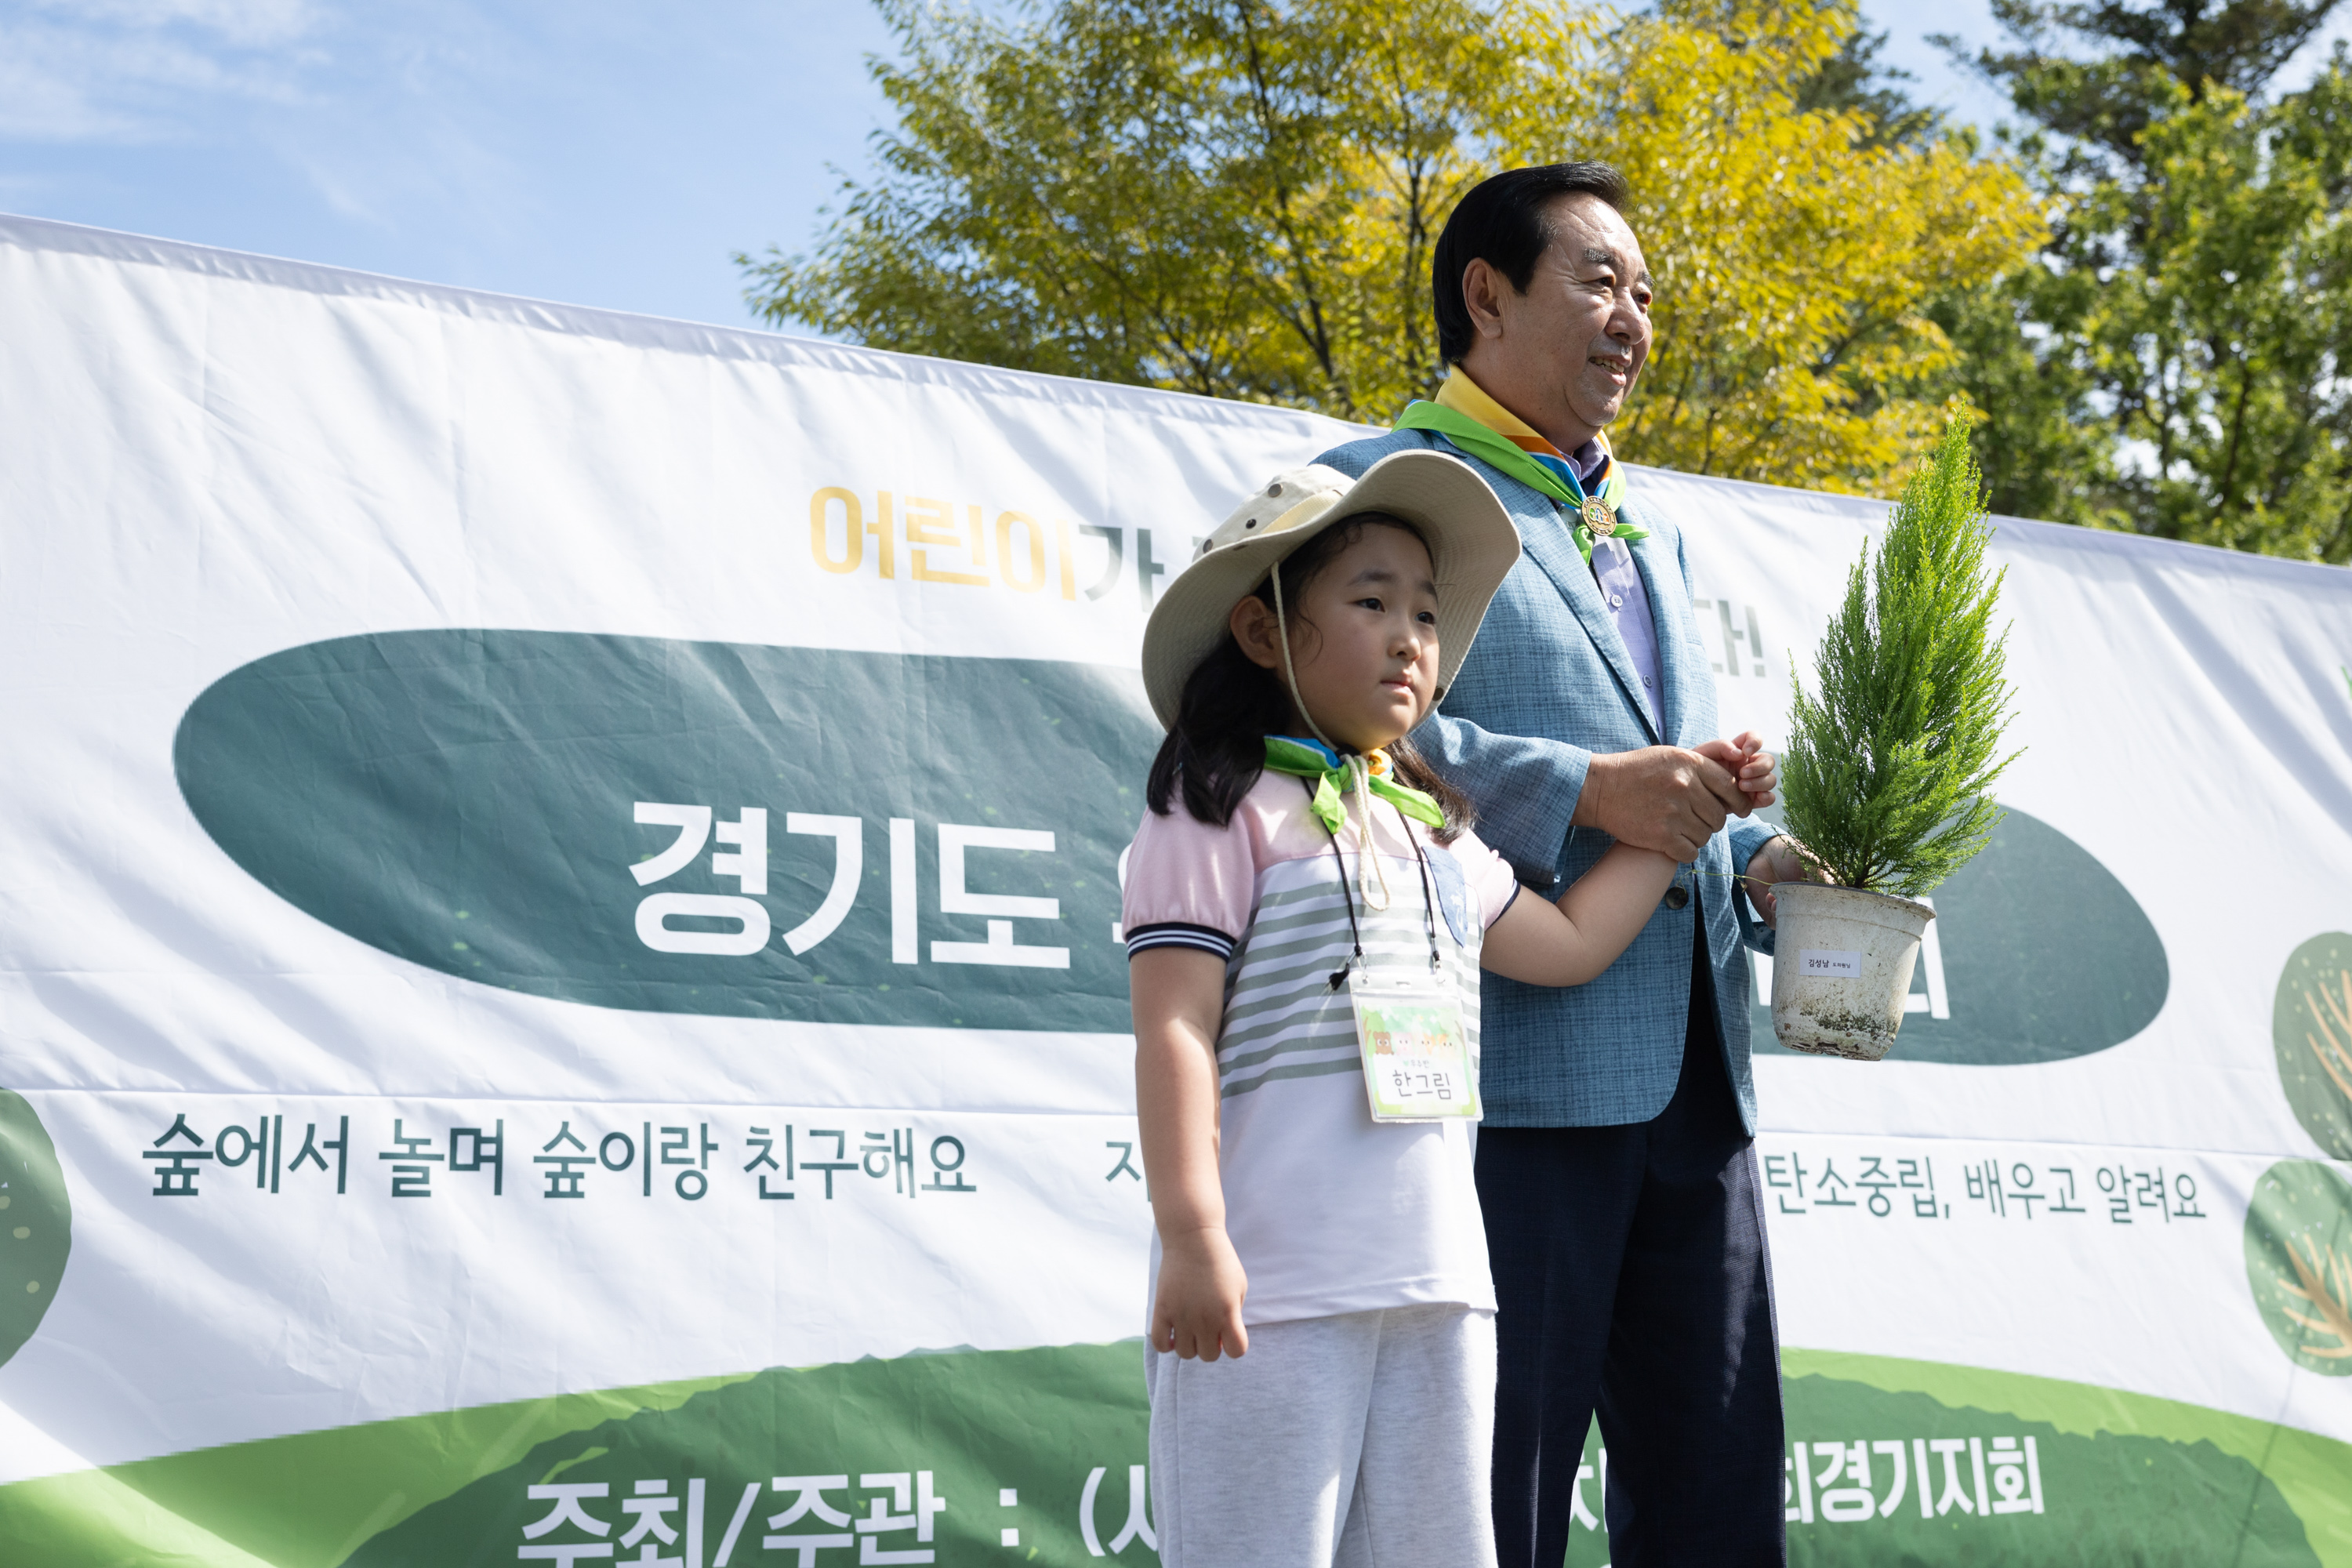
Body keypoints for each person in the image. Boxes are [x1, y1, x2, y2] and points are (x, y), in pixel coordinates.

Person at [1120, 450, 1761, 1567]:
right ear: (1263, 631)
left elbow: (1564, 947)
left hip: (1446, 1294)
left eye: (1426, 610)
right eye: (1371, 602)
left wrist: (1682, 824)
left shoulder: (1428, 825)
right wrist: (1193, 1236)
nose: (1413, 636)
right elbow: (1174, 1026)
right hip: (1269, 1294)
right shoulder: (1215, 806)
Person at [1310, 162, 1809, 1566]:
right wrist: (1589, 789)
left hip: (1700, 1084)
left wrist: (1763, 861)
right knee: (1487, 1502)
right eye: (1600, 281)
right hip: (1505, 1086)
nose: (1633, 319)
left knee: (1717, 1497)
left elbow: (1677, 776)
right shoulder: (1377, 485)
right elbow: (1349, 723)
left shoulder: (1648, 530)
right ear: (1486, 295)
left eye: (1645, 293)